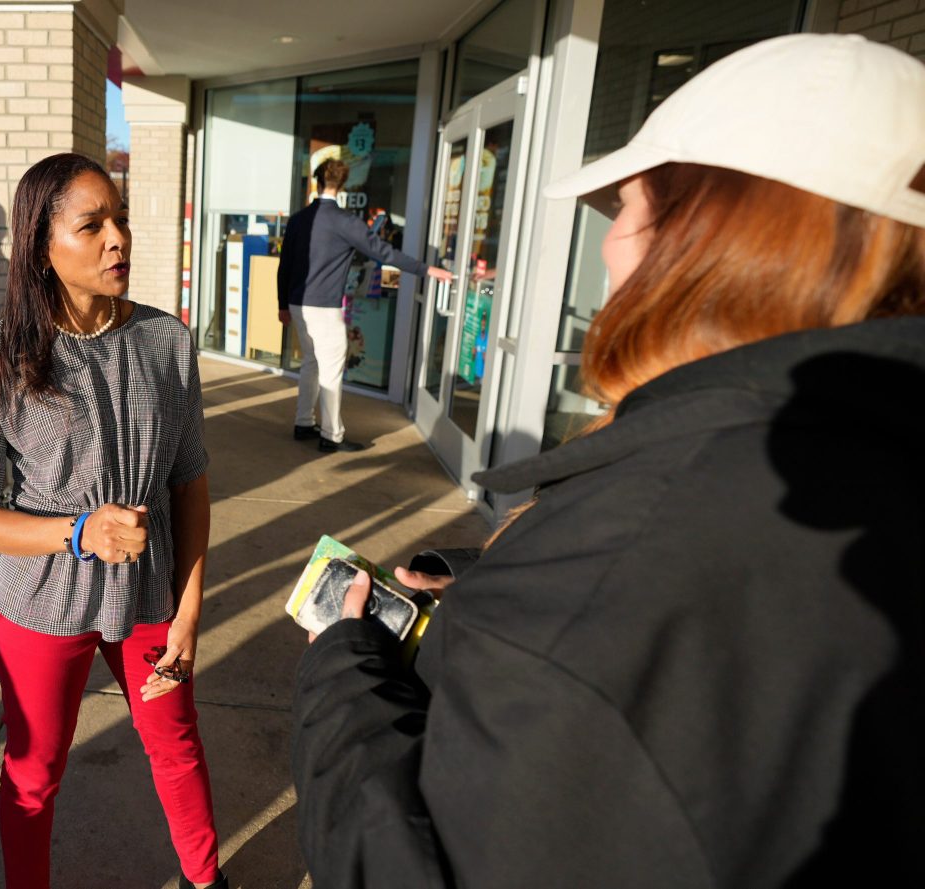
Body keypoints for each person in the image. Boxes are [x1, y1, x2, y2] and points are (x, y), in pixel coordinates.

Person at [292, 34, 924, 888]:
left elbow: (408, 862)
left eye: (626, 208)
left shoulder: (635, 540)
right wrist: (490, 580)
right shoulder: (857, 470)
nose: (608, 248)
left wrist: (342, 659)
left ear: (721, 237)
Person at [0, 153, 227, 889]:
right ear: (42, 243)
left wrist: (190, 609)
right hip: (41, 603)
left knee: (175, 743)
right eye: (93, 225)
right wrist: (77, 533)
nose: (118, 240)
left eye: (121, 221)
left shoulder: (167, 341)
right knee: (34, 770)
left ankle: (207, 881)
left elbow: (189, 481)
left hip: (150, 597)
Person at [276, 158, 451, 452]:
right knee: (330, 371)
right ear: (341, 185)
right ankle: (331, 436)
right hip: (324, 308)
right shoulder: (345, 222)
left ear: (318, 182)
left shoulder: (298, 219)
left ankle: (303, 423)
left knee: (311, 364)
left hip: (297, 304)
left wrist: (282, 304)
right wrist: (427, 270)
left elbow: (284, 266)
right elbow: (385, 253)